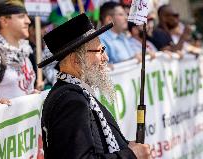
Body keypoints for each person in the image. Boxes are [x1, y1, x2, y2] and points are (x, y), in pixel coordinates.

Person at [39, 13, 151, 158]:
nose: (106, 58)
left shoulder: (78, 93)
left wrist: (126, 146)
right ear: (75, 60)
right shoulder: (71, 101)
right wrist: (130, 155)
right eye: (100, 51)